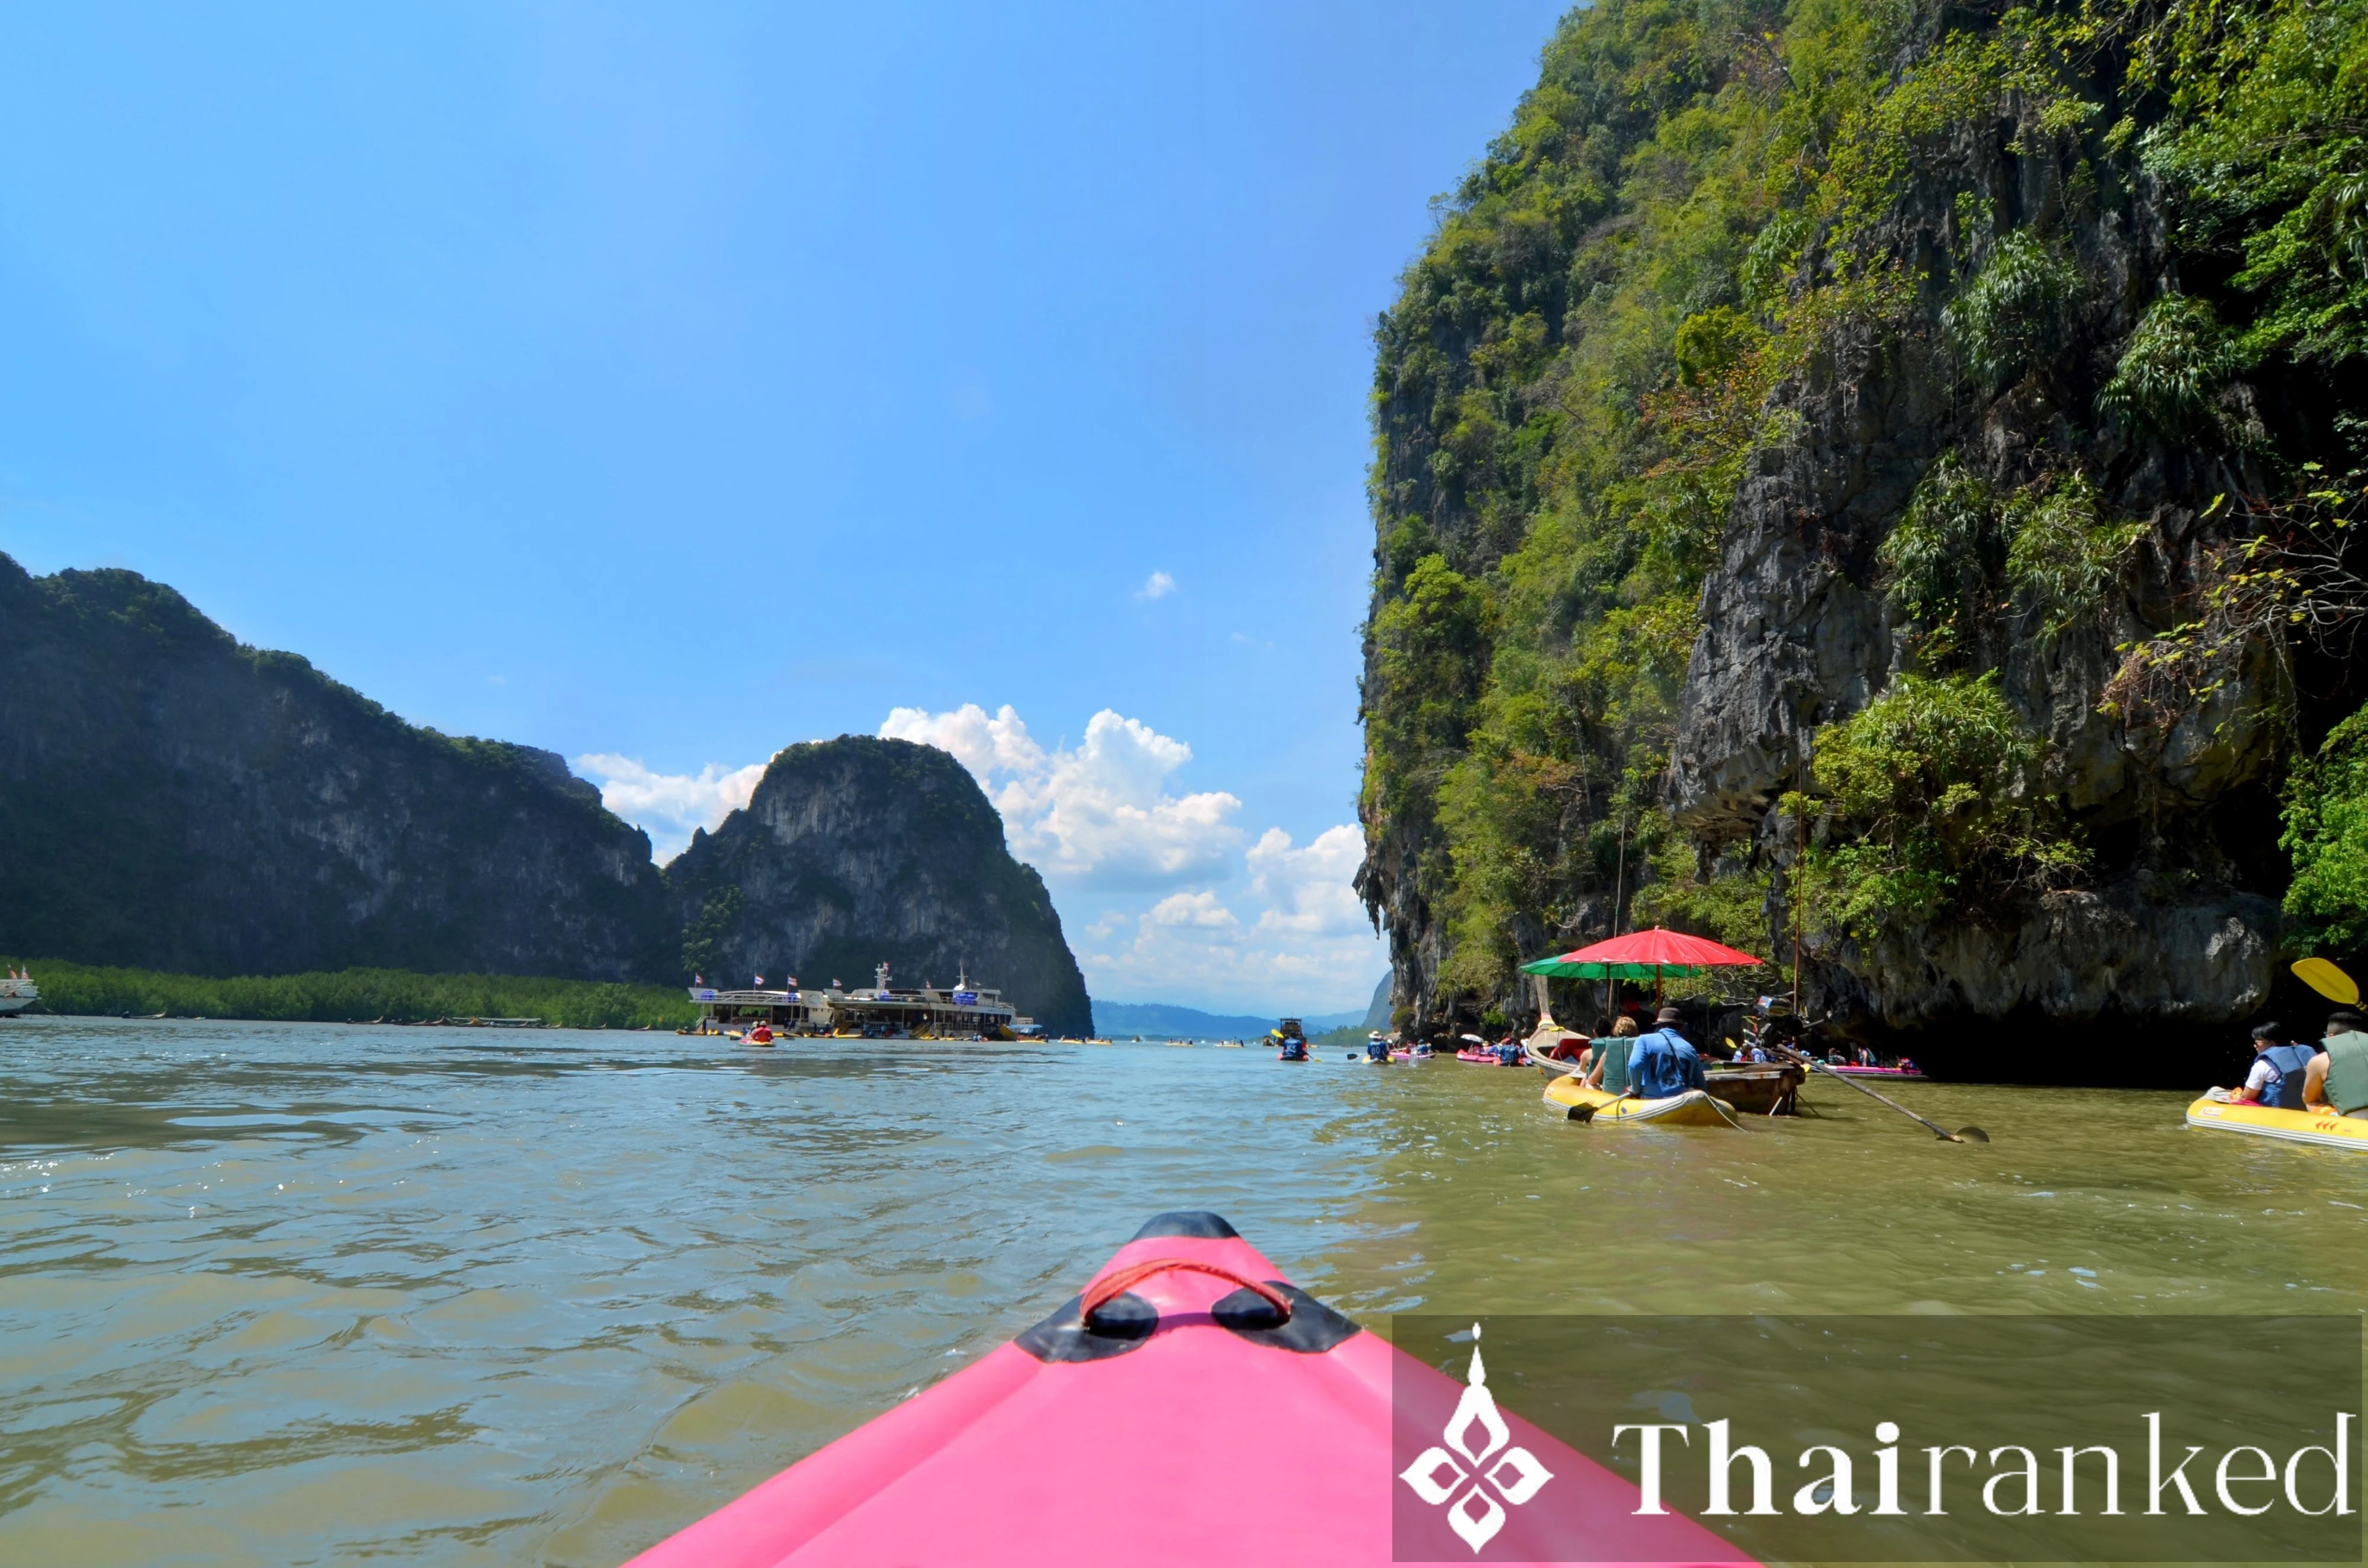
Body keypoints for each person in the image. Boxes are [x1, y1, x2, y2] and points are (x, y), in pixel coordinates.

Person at [1628, 1005, 1708, 1100]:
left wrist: (1636, 1089)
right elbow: (1701, 1085)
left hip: (1651, 1101)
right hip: (1681, 1102)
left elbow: (1635, 1065)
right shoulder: (1690, 1048)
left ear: (1659, 1025)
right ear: (1681, 1027)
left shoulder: (1644, 1040)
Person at [2232, 1022, 2318, 1109]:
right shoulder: (2310, 1054)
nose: (2255, 1046)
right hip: (2308, 1111)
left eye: (2257, 1042)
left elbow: (2245, 1098)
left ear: (2272, 1044)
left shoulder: (2263, 1064)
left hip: (2277, 1115)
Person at [2303, 1011, 2368, 1116]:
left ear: (2331, 1036)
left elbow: (2310, 1101)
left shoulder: (2320, 1061)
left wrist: (2331, 1113)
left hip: (2352, 1126)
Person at [1584, 1016, 1641, 1093]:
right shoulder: (1641, 1050)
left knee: (1588, 1084)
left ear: (1616, 1032)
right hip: (1636, 1094)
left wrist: (1589, 1081)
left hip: (1611, 1096)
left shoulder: (1608, 1052)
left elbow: (1593, 1080)